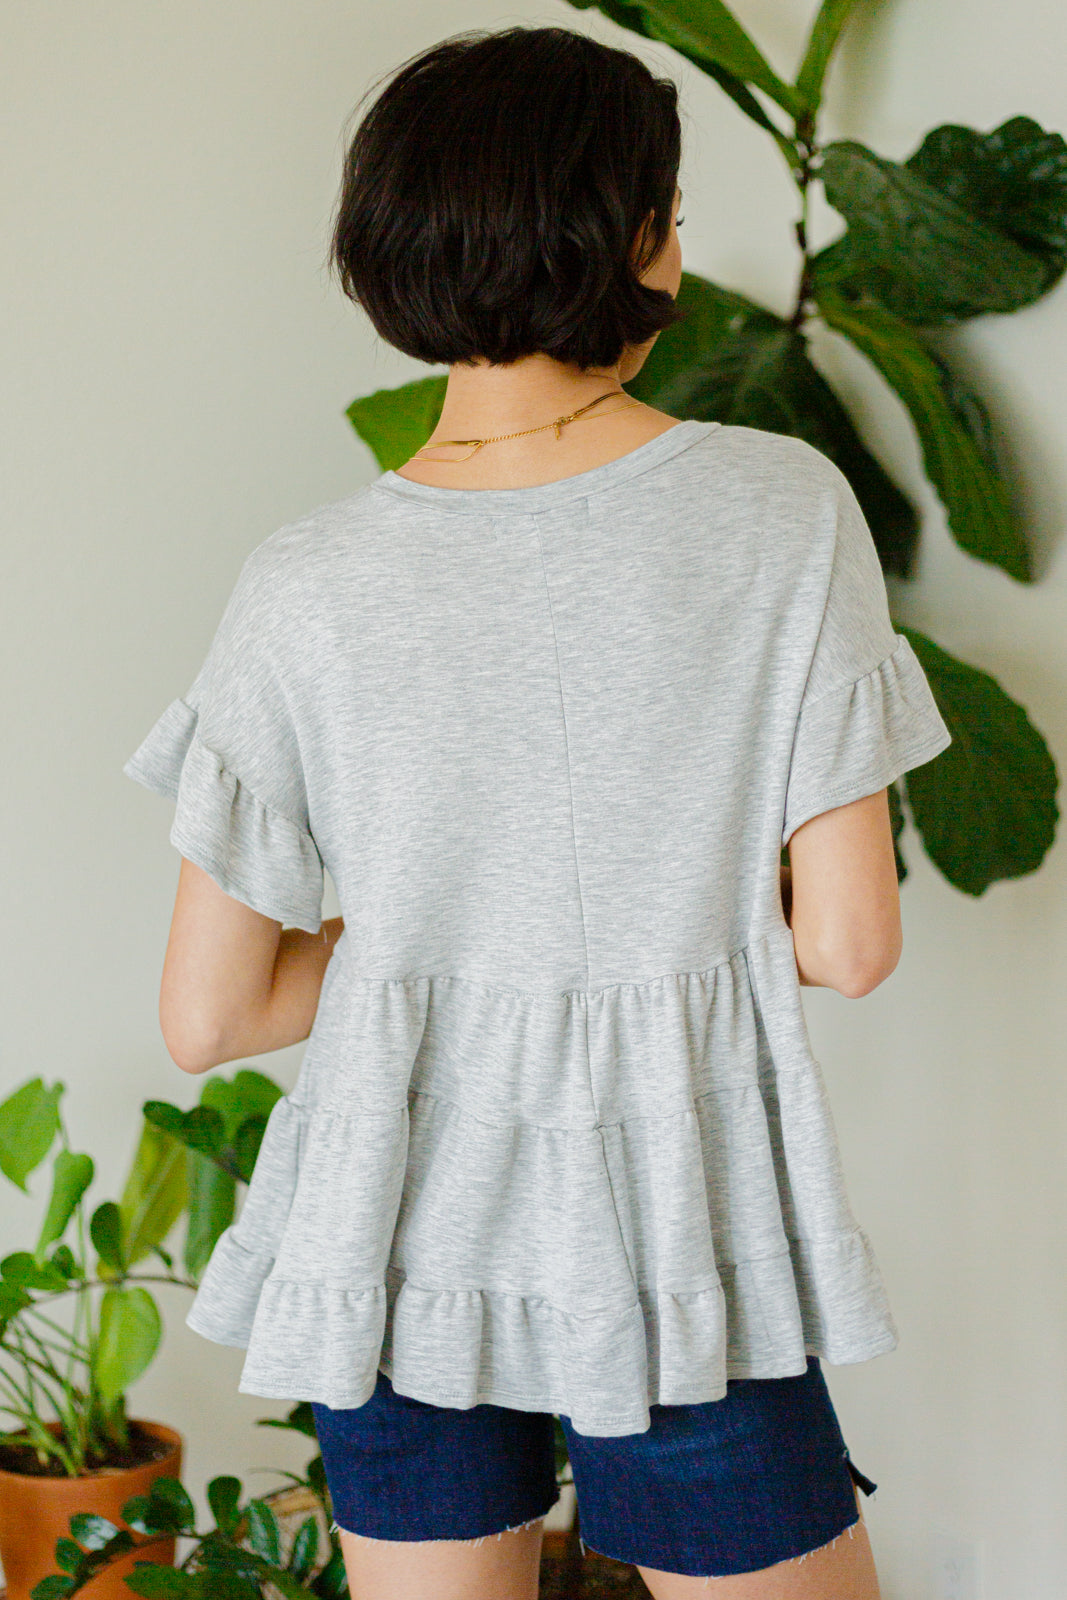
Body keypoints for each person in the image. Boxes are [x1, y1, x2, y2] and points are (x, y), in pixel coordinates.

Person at [122, 23, 952, 1600]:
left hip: (387, 1240)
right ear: (630, 243)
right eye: (670, 217)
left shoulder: (304, 586)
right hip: (674, 1234)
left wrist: (423, 940)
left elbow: (211, 1016)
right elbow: (848, 944)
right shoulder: (781, 512)